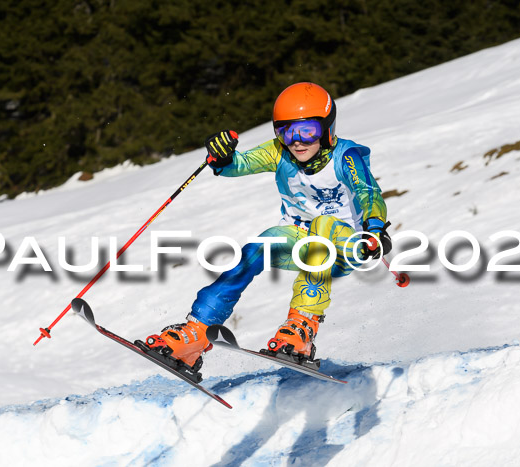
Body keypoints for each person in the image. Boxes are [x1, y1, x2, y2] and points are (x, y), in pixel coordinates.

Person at [137, 82, 391, 374]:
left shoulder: (346, 156)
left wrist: (374, 229)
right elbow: (240, 163)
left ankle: (302, 328)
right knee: (260, 245)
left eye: (307, 130)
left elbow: (368, 193)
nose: (297, 141)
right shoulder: (279, 153)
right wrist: (223, 158)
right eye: (286, 131)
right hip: (302, 240)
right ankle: (196, 334)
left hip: (349, 244)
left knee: (323, 225)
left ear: (327, 128)